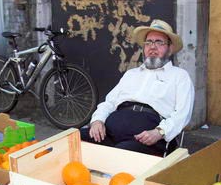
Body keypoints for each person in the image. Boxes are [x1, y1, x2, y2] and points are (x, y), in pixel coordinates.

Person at [80, 19, 194, 155]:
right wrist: (97, 121)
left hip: (147, 138)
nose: (152, 47)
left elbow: (183, 114)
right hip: (111, 131)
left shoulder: (179, 76)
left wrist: (160, 132)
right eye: (149, 42)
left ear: (169, 49)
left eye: (159, 42)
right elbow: (109, 102)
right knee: (74, 139)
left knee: (121, 154)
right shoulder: (131, 74)